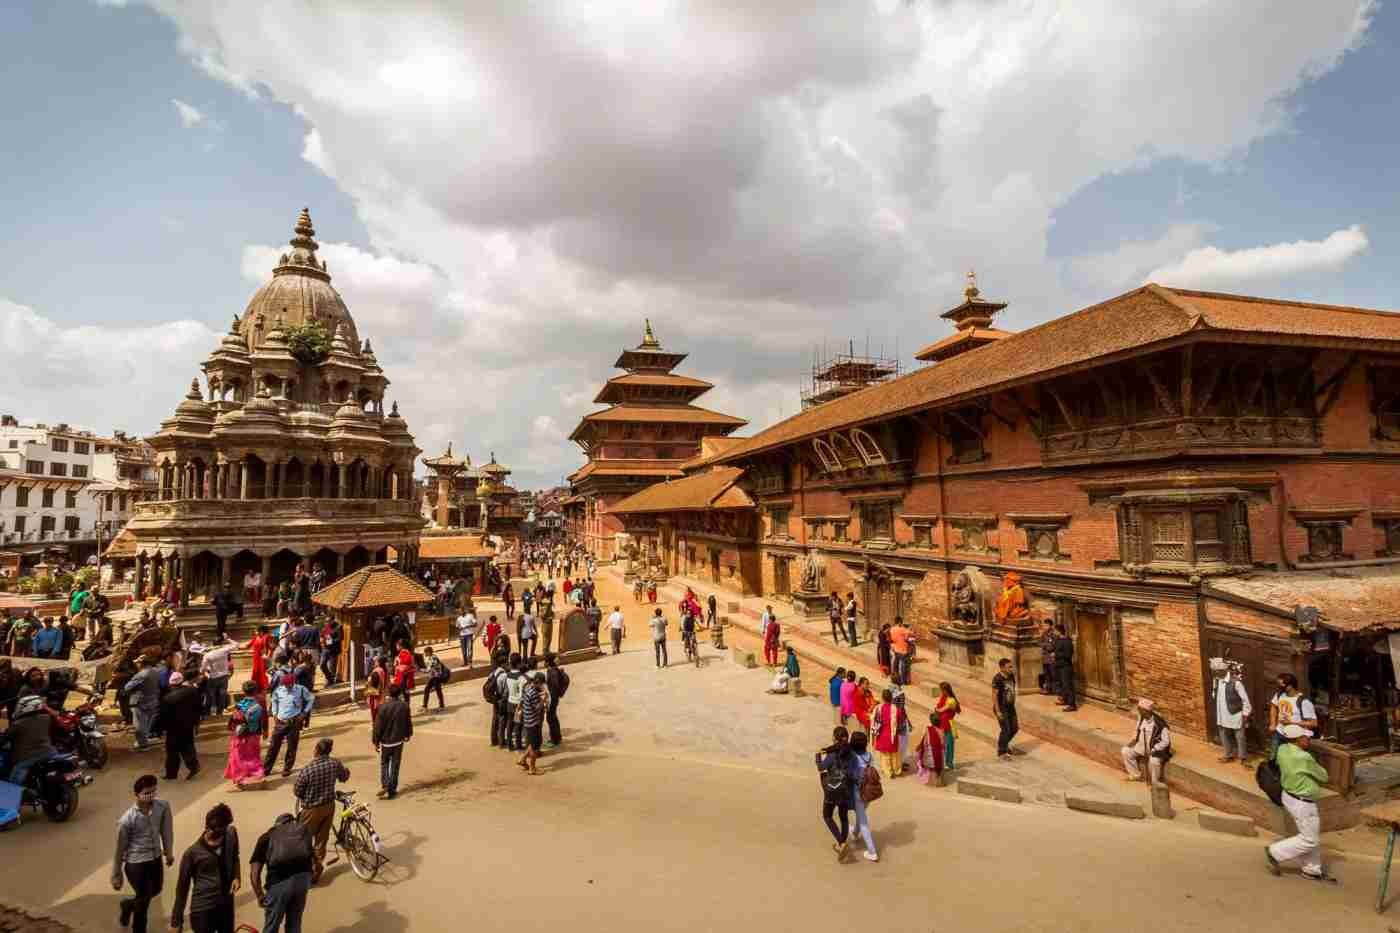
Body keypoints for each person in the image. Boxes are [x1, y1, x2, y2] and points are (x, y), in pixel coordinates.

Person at [1266, 724, 1332, 881]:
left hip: (1288, 795)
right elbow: (1324, 776)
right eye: (1305, 737)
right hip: (1303, 803)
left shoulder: (1282, 749)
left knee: (1310, 833)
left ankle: (1312, 869)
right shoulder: (1304, 757)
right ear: (1297, 740)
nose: (1308, 739)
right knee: (1310, 839)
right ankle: (1275, 852)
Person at [111, 774, 174, 933]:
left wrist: (168, 852)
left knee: (156, 890)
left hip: (155, 858)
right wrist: (116, 874)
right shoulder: (127, 820)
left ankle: (128, 905)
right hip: (135, 863)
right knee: (144, 899)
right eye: (146, 793)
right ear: (136, 795)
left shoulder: (163, 807)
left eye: (153, 792)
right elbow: (119, 849)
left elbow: (166, 831)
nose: (150, 796)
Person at [169, 803, 240, 933]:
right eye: (213, 831)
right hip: (203, 910)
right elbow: (181, 889)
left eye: (222, 832)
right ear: (207, 828)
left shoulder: (231, 834)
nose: (218, 838)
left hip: (226, 905)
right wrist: (176, 922)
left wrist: (236, 876)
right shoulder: (192, 854)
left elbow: (235, 857)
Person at [293, 737, 349, 883]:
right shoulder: (335, 763)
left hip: (310, 809)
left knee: (303, 841)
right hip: (329, 806)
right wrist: (346, 772)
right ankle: (317, 870)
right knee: (321, 841)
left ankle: (303, 871)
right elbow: (344, 777)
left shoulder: (308, 769)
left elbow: (298, 791)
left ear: (317, 750)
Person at [249, 814, 313, 933]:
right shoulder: (302, 833)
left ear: (277, 824)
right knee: (294, 922)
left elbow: (254, 873)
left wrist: (259, 895)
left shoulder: (267, 837)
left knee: (272, 924)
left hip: (279, 884)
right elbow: (316, 861)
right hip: (302, 881)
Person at [263, 672, 314, 778]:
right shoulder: (278, 691)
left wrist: (304, 713)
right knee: (273, 746)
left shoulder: (301, 689)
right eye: (285, 685)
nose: (287, 687)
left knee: (292, 746)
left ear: (293, 682)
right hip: (280, 722)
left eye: (289, 685)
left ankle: (287, 769)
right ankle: (266, 769)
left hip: (294, 721)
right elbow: (274, 701)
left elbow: (311, 699)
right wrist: (275, 714)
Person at [815, 726, 854, 860]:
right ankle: (843, 842)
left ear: (834, 738)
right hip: (845, 790)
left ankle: (841, 842)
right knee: (843, 817)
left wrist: (818, 756)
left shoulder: (831, 755)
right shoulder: (851, 753)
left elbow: (821, 768)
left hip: (832, 790)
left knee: (827, 816)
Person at [373, 683, 413, 800]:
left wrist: (376, 742)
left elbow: (378, 727)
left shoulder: (383, 707)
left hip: (386, 742)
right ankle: (392, 789)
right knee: (395, 765)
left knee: (384, 763)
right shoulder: (404, 706)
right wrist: (408, 734)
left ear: (389, 694)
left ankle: (385, 784)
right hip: (398, 741)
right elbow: (408, 722)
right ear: (399, 694)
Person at [4, 694, 55, 785]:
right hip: (48, 751)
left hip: (28, 756)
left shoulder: (19, 724)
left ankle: (13, 796)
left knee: (15, 778)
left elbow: (6, 737)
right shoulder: (46, 718)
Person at [162, 671, 204, 780]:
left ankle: (171, 774)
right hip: (188, 725)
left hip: (173, 728)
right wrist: (197, 722)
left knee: (172, 751)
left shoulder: (168, 698)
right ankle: (193, 766)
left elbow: (163, 715)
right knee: (188, 746)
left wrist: (159, 729)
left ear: (171, 684)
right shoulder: (193, 691)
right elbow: (199, 708)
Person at [225, 681, 266, 789]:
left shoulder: (239, 704)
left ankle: (239, 779)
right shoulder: (257, 706)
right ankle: (259, 775)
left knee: (238, 757)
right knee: (253, 756)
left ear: (244, 691)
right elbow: (259, 721)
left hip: (238, 735)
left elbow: (233, 719)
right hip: (253, 735)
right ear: (255, 691)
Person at [1121, 699, 1172, 783]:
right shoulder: (1141, 718)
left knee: (1154, 762)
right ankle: (1135, 775)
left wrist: (1154, 749)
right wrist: (1133, 741)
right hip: (1141, 747)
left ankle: (1155, 783)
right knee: (1125, 751)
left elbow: (1166, 741)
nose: (1138, 711)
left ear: (1145, 711)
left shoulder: (1160, 724)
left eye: (1139, 709)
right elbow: (1137, 730)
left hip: (1154, 749)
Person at [1212, 660, 1253, 765]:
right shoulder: (1218, 680)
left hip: (1235, 714)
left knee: (1240, 736)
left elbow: (1245, 701)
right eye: (1215, 671)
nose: (1216, 673)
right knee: (1223, 734)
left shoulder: (1236, 683)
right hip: (1222, 713)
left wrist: (1245, 715)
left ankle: (1243, 757)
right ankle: (1228, 754)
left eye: (1217, 671)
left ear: (1224, 670)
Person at [848, 731, 879, 862]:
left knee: (863, 821)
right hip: (869, 790)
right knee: (861, 814)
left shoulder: (853, 757)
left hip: (858, 791)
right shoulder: (869, 756)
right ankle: (855, 832)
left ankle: (872, 851)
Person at [1270, 674, 1318, 756]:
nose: (1279, 687)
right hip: (1279, 732)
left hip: (1295, 737)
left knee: (1290, 761)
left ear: (1290, 686)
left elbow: (1314, 723)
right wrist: (1272, 723)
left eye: (1281, 685)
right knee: (1273, 758)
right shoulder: (1279, 695)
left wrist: (1291, 723)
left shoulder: (1304, 702)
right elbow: (1273, 706)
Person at [125, 654, 162, 751]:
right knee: (147, 723)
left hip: (140, 701)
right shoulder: (156, 672)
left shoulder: (141, 674)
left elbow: (127, 687)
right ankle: (144, 742)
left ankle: (142, 745)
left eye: (137, 663)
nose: (136, 665)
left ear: (141, 664)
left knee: (139, 725)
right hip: (152, 700)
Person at [872, 688, 906, 778]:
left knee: (884, 754)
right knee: (895, 753)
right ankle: (897, 770)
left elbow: (874, 720)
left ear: (883, 698)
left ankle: (888, 772)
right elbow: (901, 720)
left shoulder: (878, 708)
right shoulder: (896, 709)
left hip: (882, 734)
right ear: (891, 698)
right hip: (892, 735)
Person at [201, 635, 236, 717]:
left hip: (213, 677)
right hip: (224, 676)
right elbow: (236, 644)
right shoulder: (224, 651)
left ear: (212, 644)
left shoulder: (208, 655)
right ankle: (219, 712)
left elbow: (202, 669)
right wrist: (228, 638)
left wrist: (207, 674)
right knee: (222, 694)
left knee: (211, 694)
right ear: (221, 644)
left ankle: (210, 712)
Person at [519, 670, 546, 775]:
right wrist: (544, 699)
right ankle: (532, 768)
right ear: (539, 682)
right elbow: (537, 708)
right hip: (533, 722)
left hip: (527, 720)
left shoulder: (528, 687)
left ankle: (522, 759)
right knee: (535, 747)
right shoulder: (534, 693)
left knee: (531, 743)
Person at [992, 658, 1019, 759]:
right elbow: (994, 696)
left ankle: (1004, 744)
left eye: (1011, 666)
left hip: (1010, 706)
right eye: (1009, 667)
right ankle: (1001, 751)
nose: (1011, 669)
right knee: (1006, 729)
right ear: (1002, 668)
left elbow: (1012, 689)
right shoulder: (997, 679)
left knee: (1015, 728)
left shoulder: (1011, 676)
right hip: (1001, 708)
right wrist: (998, 711)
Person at [544, 653, 569, 747]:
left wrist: (554, 695)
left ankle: (555, 739)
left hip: (552, 698)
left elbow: (555, 686)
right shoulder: (553, 670)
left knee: (550, 718)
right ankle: (557, 737)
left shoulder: (552, 672)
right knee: (553, 717)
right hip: (553, 698)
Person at [913, 711, 945, 784]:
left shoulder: (928, 729)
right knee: (939, 766)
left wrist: (923, 751)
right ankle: (939, 781)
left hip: (931, 752)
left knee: (932, 767)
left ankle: (932, 781)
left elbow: (925, 742)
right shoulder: (942, 730)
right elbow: (943, 743)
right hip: (940, 752)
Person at [935, 682, 960, 770]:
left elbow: (940, 710)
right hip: (943, 723)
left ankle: (949, 763)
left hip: (949, 724)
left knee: (949, 745)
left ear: (945, 691)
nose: (941, 692)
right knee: (944, 744)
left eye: (941, 690)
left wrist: (937, 709)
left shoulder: (951, 701)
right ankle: (946, 762)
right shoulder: (945, 698)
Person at [1053, 624, 1078, 711]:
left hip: (1065, 667)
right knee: (1061, 684)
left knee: (1068, 685)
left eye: (1055, 631)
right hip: (1058, 665)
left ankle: (1072, 704)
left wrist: (1056, 654)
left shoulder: (1067, 641)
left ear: (1059, 631)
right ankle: (1064, 699)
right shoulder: (1058, 640)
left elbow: (1068, 655)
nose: (1054, 632)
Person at [504, 655, 526, 752]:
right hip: (518, 704)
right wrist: (520, 706)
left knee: (510, 724)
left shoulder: (507, 675)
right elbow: (522, 694)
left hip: (510, 702)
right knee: (518, 725)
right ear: (519, 663)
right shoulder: (521, 677)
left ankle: (509, 745)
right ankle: (518, 745)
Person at [247, 625, 273, 694]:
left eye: (256, 630)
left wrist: (268, 656)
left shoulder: (267, 637)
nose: (255, 632)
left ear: (261, 631)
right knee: (256, 672)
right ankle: (256, 687)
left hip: (262, 658)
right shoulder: (255, 637)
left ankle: (264, 688)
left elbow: (271, 648)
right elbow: (247, 645)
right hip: (256, 658)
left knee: (262, 672)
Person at [421, 645, 448, 712]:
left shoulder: (433, 658)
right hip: (433, 677)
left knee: (431, 690)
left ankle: (427, 706)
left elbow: (429, 669)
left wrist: (420, 670)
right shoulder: (430, 658)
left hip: (436, 677)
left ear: (429, 652)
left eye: (426, 652)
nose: (425, 654)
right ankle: (426, 706)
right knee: (435, 690)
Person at [889, 617, 913, 685]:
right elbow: (910, 635)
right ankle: (903, 681)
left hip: (895, 649)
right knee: (903, 667)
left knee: (895, 665)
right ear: (899, 622)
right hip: (902, 650)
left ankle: (894, 679)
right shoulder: (902, 629)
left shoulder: (892, 629)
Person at [365, 655, 389, 724]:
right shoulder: (385, 670)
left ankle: (375, 723)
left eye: (375, 661)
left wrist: (368, 681)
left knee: (374, 710)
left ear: (379, 662)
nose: (374, 662)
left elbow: (373, 682)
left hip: (375, 692)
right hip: (382, 692)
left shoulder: (377, 671)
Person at [319, 618, 342, 686]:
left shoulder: (338, 627)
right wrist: (321, 638)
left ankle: (330, 681)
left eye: (328, 621)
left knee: (332, 667)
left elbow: (340, 638)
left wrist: (332, 642)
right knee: (322, 665)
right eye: (326, 621)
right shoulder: (326, 627)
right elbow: (322, 635)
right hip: (325, 649)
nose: (326, 623)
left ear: (333, 620)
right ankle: (330, 678)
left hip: (334, 650)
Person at [1039, 620, 1057, 694]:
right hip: (1045, 657)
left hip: (1051, 658)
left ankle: (1056, 690)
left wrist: (1045, 645)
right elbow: (1039, 642)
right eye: (1044, 625)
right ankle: (1048, 689)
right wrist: (1046, 645)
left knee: (1054, 674)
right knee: (1047, 674)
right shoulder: (1044, 634)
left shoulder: (1054, 634)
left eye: (1046, 625)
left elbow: (1052, 646)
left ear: (1050, 626)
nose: (1045, 627)